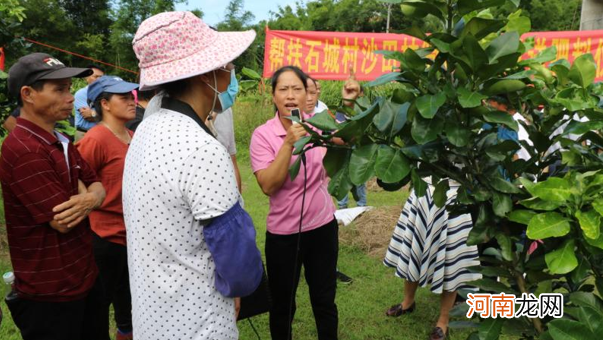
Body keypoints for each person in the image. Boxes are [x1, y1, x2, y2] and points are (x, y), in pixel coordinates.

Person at [124, 11, 259, 340]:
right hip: (199, 322)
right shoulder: (200, 148)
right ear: (208, 73)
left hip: (154, 315)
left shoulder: (148, 127)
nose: (230, 69)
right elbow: (239, 267)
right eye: (227, 62)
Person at [0, 52, 106, 340]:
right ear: (28, 94)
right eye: (59, 89)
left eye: (69, 88)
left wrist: (89, 197)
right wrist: (90, 196)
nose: (70, 97)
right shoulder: (24, 149)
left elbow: (98, 186)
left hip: (82, 276)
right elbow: (62, 220)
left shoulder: (59, 140)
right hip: (50, 292)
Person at [250, 65, 339, 340]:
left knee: (324, 300)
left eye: (297, 89)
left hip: (323, 228)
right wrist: (288, 143)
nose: (290, 95)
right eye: (283, 89)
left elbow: (346, 145)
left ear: (307, 95)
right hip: (283, 236)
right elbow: (268, 185)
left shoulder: (320, 127)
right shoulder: (262, 136)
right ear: (273, 96)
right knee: (282, 304)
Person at [76, 75, 138, 340]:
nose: (131, 101)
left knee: (132, 306)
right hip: (106, 238)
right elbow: (75, 176)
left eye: (131, 95)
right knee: (107, 305)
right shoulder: (96, 139)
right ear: (105, 104)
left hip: (134, 236)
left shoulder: (133, 135)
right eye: (122, 97)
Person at [74, 64, 104, 140]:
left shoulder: (107, 94)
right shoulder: (82, 93)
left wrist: (94, 113)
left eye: (101, 77)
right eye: (96, 77)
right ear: (86, 78)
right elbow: (87, 116)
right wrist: (109, 115)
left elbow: (93, 115)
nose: (99, 80)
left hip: (102, 133)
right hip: (84, 133)